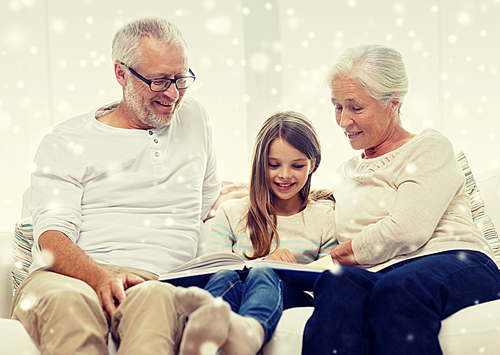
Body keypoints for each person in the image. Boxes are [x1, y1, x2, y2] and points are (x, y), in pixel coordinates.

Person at [10, 17, 242, 355]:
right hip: (66, 278)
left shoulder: (195, 119)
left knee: (157, 301)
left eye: (181, 78)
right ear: (121, 74)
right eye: (160, 80)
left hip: (153, 280)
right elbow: (51, 239)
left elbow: (205, 200)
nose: (173, 94)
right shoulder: (66, 141)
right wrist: (100, 277)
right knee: (72, 304)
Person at [301, 44, 500, 355]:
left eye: (355, 108)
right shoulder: (345, 173)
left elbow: (408, 229)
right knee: (337, 286)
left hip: (457, 261)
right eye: (337, 106)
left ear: (391, 103)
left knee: (398, 290)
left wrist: (346, 252)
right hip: (381, 273)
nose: (342, 121)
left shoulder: (428, 147)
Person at [173, 111, 337, 355]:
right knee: (222, 278)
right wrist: (265, 261)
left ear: (313, 164)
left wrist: (279, 270)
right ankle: (203, 337)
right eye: (273, 165)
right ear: (260, 164)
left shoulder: (325, 217)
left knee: (263, 273)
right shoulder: (232, 212)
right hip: (235, 287)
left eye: (297, 165)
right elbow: (212, 268)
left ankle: (249, 333)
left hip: (292, 296)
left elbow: (327, 283)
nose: (284, 175)